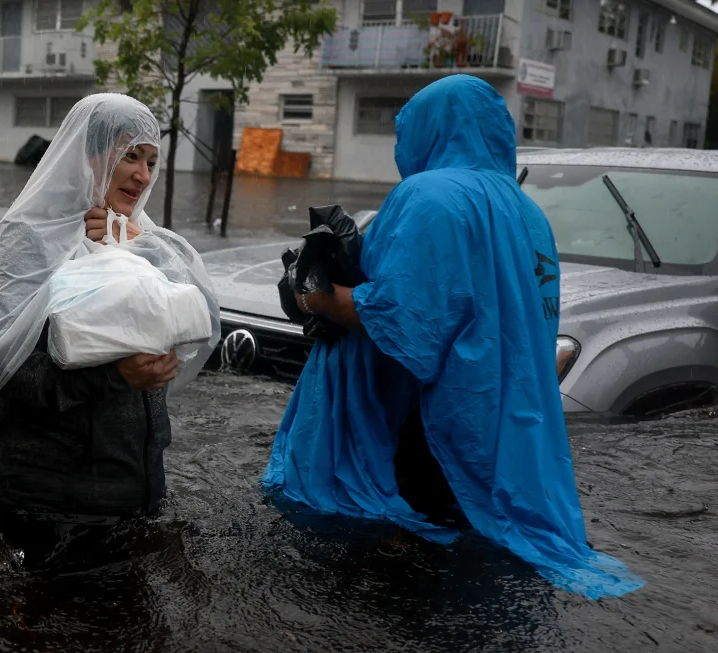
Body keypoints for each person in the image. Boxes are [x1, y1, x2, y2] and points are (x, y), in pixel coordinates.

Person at [262, 75, 643, 599]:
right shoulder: (527, 212)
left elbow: (399, 319)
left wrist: (311, 295)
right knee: (478, 572)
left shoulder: (426, 194)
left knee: (392, 581)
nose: (400, 147)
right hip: (500, 432)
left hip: (419, 422)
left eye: (405, 131)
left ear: (431, 129)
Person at [0, 93, 219, 570]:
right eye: (129, 156)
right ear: (89, 154)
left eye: (151, 161)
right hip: (47, 500)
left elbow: (202, 319)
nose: (143, 175)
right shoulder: (28, 239)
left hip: (127, 490)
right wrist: (115, 376)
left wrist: (132, 251)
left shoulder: (137, 237)